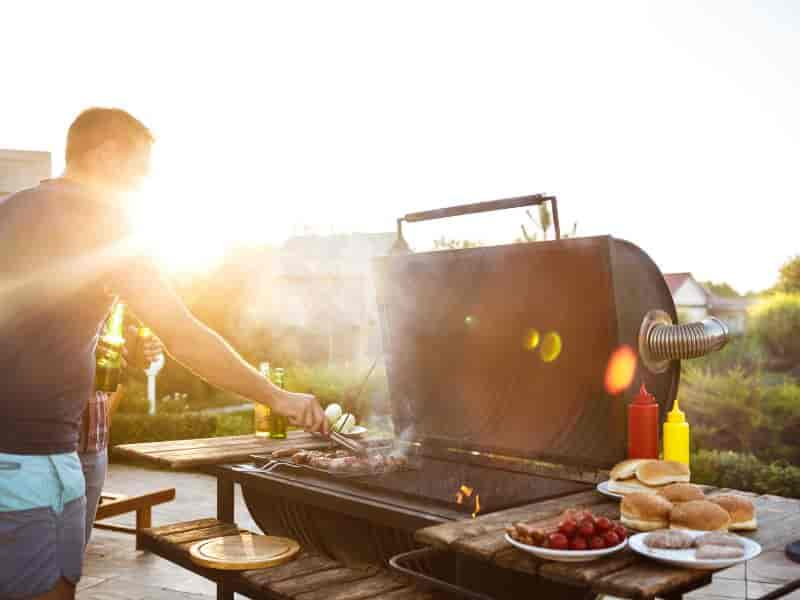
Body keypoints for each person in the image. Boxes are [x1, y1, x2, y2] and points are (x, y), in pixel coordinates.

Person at [0, 107, 329, 600]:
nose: (141, 187)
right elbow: (183, 334)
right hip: (31, 462)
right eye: (139, 172)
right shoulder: (105, 224)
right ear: (108, 156)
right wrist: (276, 396)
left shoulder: (11, 208)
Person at [79, 323, 164, 547]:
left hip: (94, 445)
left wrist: (135, 358)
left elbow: (113, 378)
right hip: (49, 446)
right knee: (33, 559)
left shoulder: (109, 317)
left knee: (74, 556)